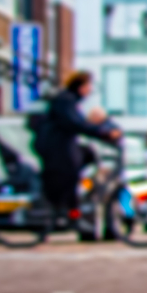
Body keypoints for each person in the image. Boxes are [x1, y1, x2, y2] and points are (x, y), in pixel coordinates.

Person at [34, 70, 105, 229]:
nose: (90, 90)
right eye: (88, 86)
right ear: (80, 86)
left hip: (60, 145)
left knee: (87, 155)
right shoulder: (65, 100)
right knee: (69, 172)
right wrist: (100, 132)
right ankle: (66, 212)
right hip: (55, 147)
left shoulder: (69, 100)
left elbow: (79, 123)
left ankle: (71, 208)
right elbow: (74, 123)